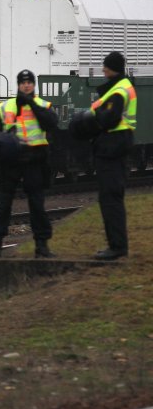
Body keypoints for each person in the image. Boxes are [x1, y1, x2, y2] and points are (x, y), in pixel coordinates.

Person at [0, 69, 59, 259]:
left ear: (34, 85)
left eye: (29, 82)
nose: (26, 85)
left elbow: (51, 124)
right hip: (11, 161)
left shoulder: (43, 105)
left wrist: (32, 105)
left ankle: (42, 245)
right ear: (18, 85)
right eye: (23, 82)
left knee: (37, 205)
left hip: (34, 160)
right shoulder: (6, 106)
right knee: (4, 203)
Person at [89, 51, 137, 260]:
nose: (103, 69)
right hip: (115, 146)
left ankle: (117, 247)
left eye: (106, 66)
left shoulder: (118, 91)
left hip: (113, 147)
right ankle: (116, 245)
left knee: (110, 198)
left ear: (113, 68)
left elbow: (109, 119)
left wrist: (94, 116)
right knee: (110, 197)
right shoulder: (121, 86)